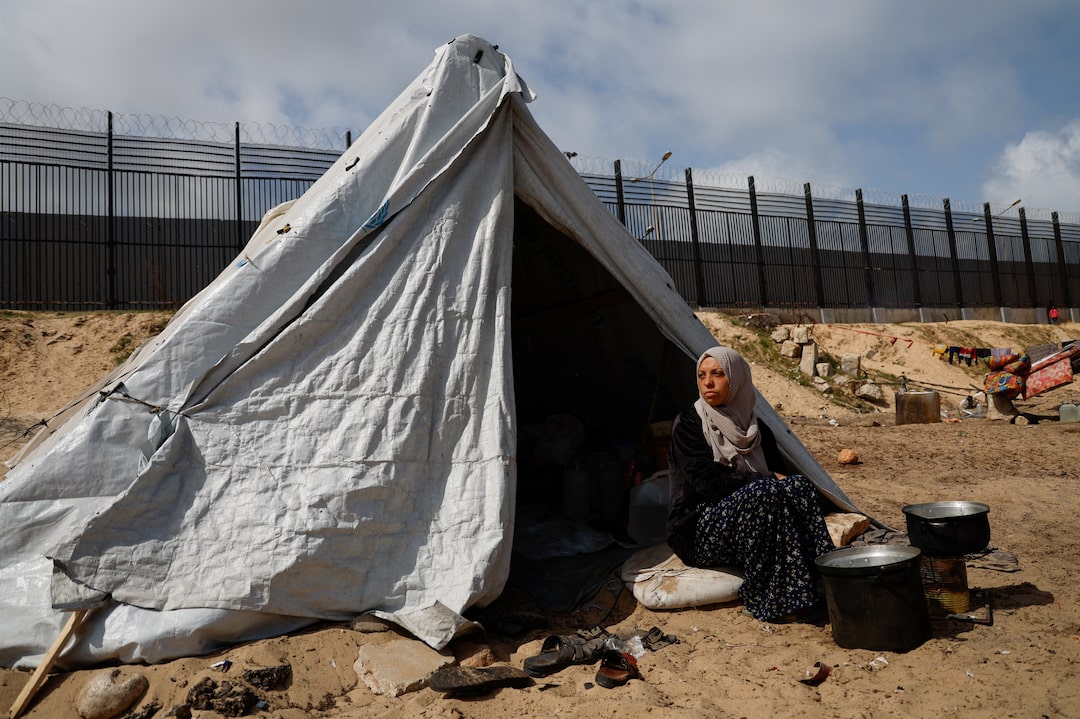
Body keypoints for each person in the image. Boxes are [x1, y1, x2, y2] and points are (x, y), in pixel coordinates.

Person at [666, 346, 834, 622]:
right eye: (701, 375)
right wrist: (763, 479)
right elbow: (708, 485)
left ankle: (826, 580)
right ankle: (765, 597)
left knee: (799, 487)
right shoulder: (688, 425)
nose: (708, 382)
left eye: (718, 374)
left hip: (749, 521)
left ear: (737, 378)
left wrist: (778, 483)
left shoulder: (757, 429)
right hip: (697, 530)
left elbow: (781, 476)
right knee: (765, 491)